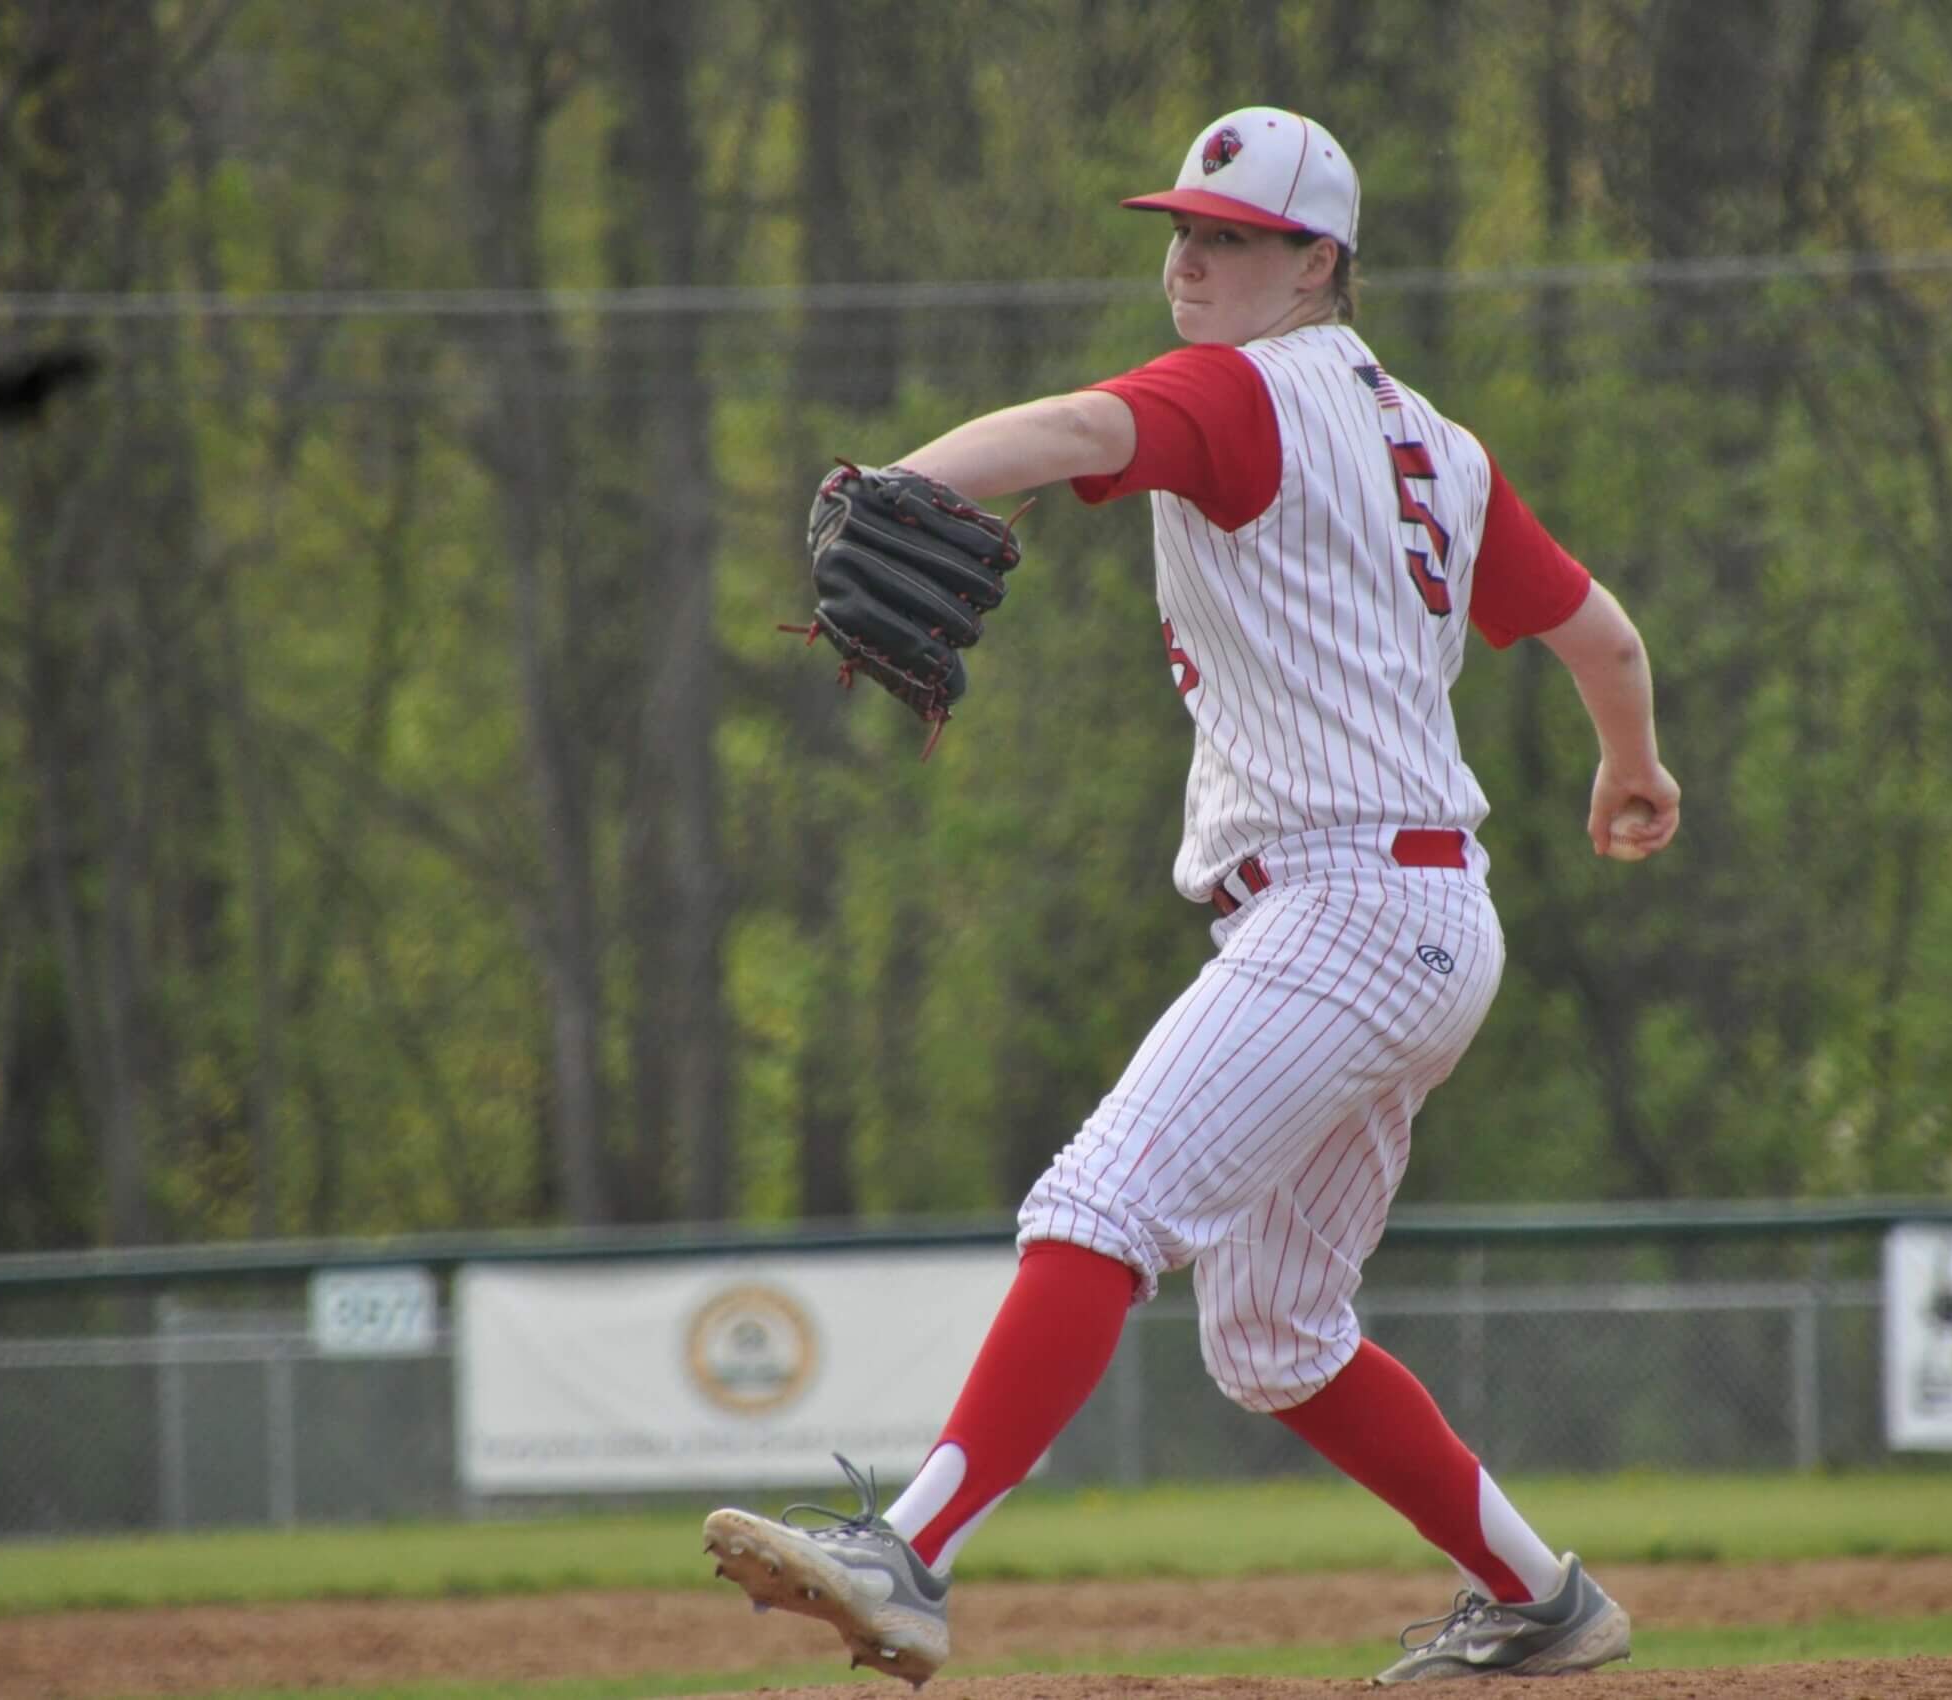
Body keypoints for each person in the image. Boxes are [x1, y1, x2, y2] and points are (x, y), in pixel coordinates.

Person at [703, 106, 1680, 1687]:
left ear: (1317, 264)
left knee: (1097, 1203)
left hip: (1347, 910)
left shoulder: (1241, 392)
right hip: (1434, 925)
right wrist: (1630, 767)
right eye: (1180, 230)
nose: (1186, 262)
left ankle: (915, 1553)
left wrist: (899, 482)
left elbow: (1083, 435)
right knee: (1277, 1338)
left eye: (1228, 238)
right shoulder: (1444, 446)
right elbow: (1604, 640)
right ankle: (1543, 1599)